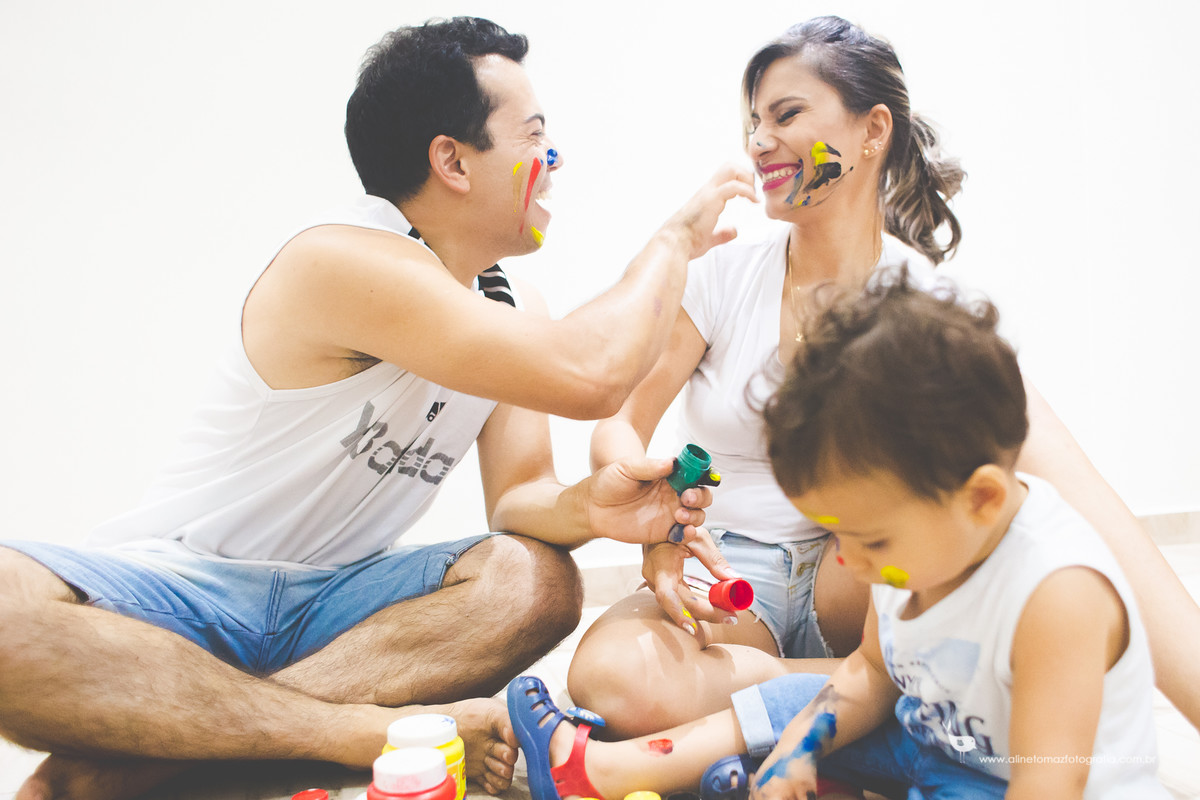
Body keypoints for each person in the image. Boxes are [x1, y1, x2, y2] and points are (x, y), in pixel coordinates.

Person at [0, 17, 755, 800]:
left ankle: (162, 745)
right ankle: (352, 731)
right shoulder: (342, 260)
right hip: (191, 587)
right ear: (451, 161)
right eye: (535, 138)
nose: (554, 163)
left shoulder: (509, 300)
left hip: (340, 604)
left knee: (535, 580)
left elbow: (522, 501)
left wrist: (591, 508)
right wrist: (675, 243)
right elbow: (593, 373)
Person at [568, 14, 1200, 738]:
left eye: (787, 114)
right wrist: (660, 530)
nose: (759, 140)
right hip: (730, 568)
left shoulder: (929, 305)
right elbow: (621, 421)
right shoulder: (721, 275)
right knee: (609, 682)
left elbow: (1073, 498)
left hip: (863, 575)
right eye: (753, 122)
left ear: (873, 132)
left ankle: (814, 701)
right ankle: (859, 703)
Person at [511, 273, 1170, 800]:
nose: (849, 560)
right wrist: (801, 746)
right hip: (931, 741)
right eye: (837, 534)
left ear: (983, 499)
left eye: (871, 541)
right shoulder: (912, 554)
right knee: (796, 705)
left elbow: (1049, 784)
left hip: (1006, 782)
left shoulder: (1058, 596)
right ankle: (613, 772)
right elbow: (872, 673)